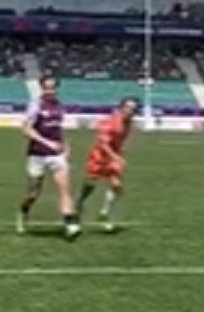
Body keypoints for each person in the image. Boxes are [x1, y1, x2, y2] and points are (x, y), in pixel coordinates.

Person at [16, 75, 81, 240]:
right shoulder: (36, 105)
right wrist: (47, 143)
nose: (50, 91)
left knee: (64, 190)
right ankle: (23, 213)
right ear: (42, 88)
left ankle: (70, 224)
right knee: (33, 194)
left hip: (56, 156)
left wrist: (66, 147)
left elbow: (59, 130)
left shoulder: (59, 106)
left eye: (53, 87)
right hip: (37, 155)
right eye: (47, 87)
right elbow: (26, 128)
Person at [77, 96, 138, 232]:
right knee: (90, 184)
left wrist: (119, 154)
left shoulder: (129, 123)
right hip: (99, 156)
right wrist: (115, 156)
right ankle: (81, 201)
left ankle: (104, 213)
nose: (130, 111)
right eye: (128, 107)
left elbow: (120, 141)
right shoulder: (109, 121)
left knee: (116, 186)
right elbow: (102, 143)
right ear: (121, 107)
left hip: (113, 157)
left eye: (133, 109)